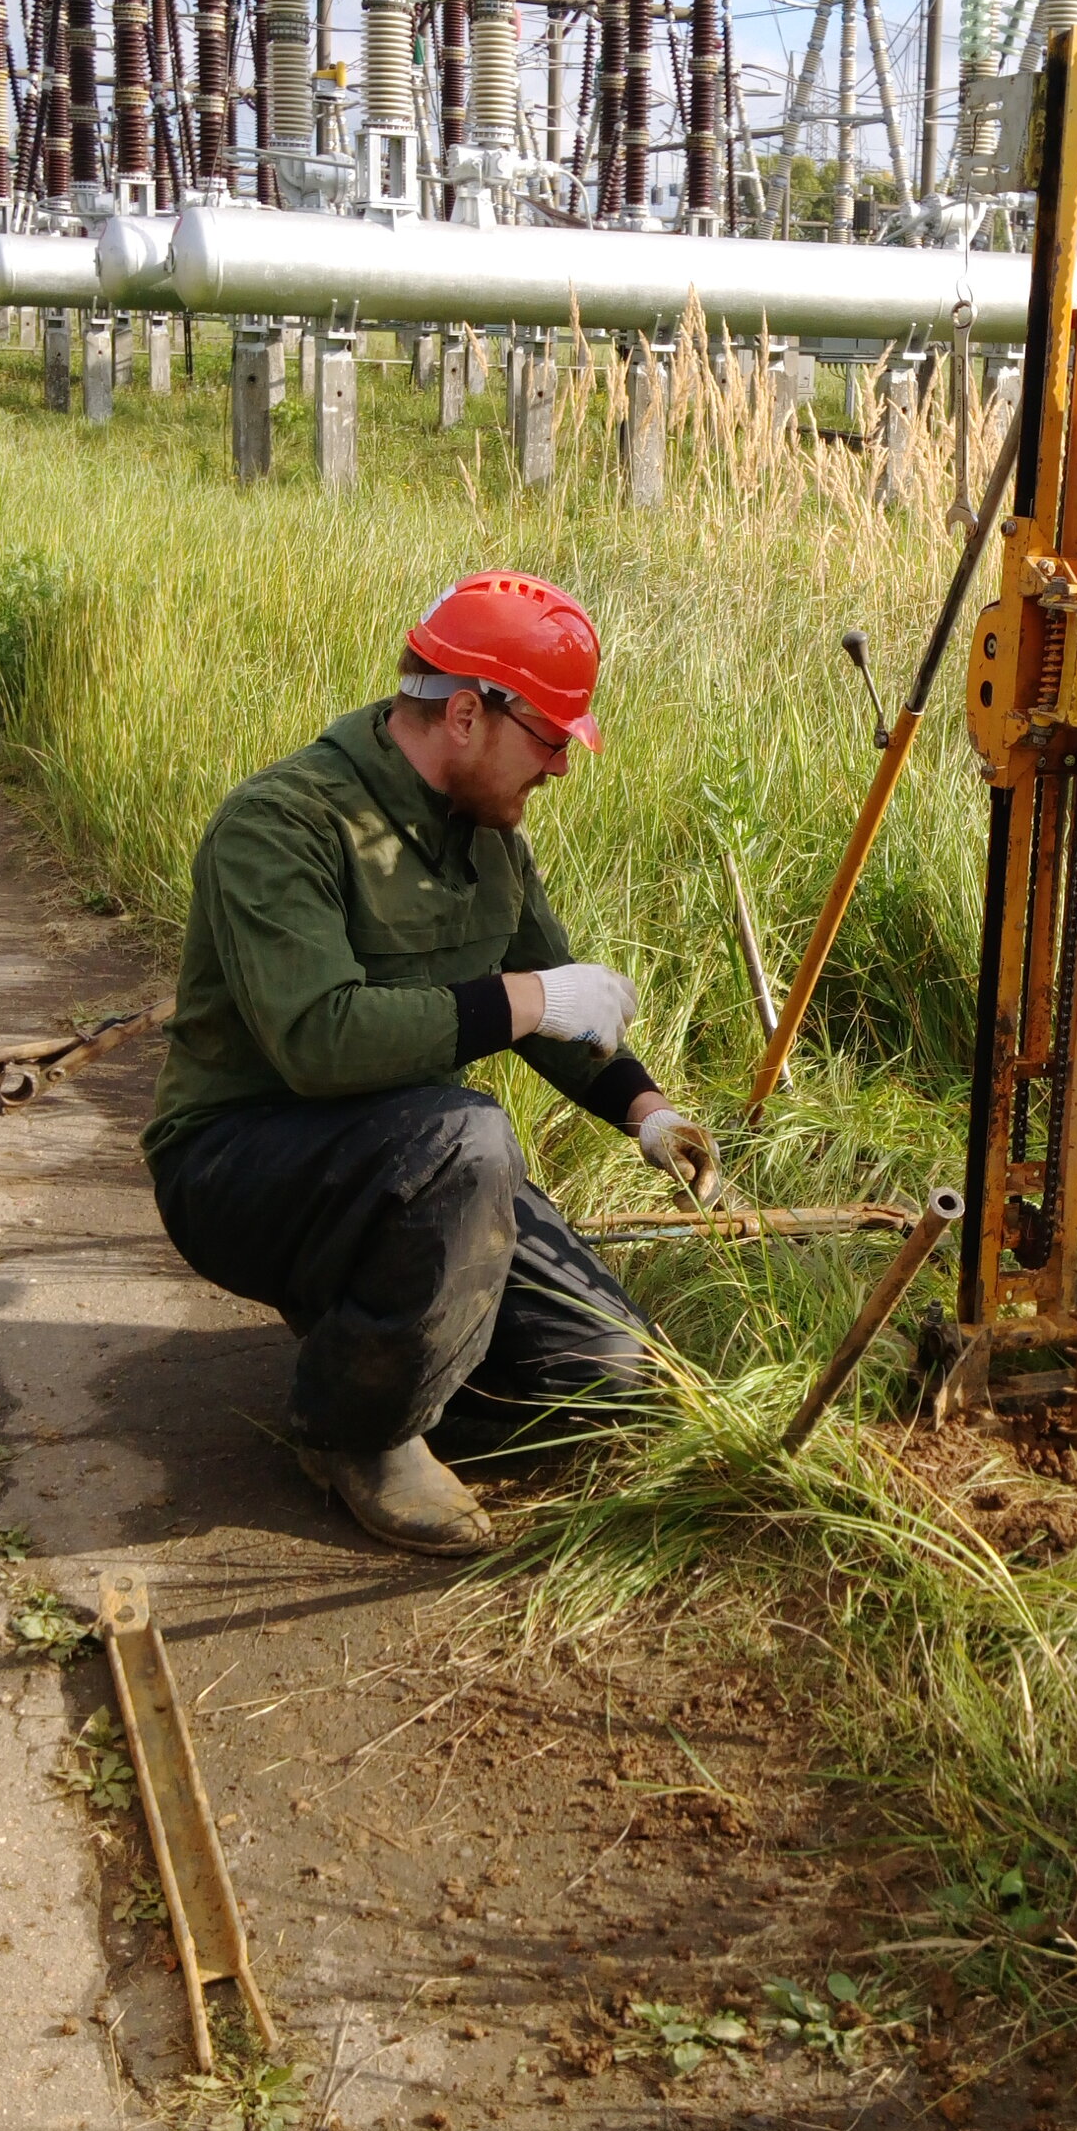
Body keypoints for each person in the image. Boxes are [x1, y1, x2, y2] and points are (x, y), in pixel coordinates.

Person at [142, 571, 720, 1555]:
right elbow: (323, 1042)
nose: (559, 768)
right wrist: (531, 999)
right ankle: (361, 1435)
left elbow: (551, 1000)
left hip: (417, 1171)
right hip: (238, 1164)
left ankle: (373, 1341)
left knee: (619, 1376)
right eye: (548, 739)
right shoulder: (281, 825)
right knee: (473, 1137)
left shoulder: (491, 841)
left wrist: (645, 1110)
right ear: (465, 714)